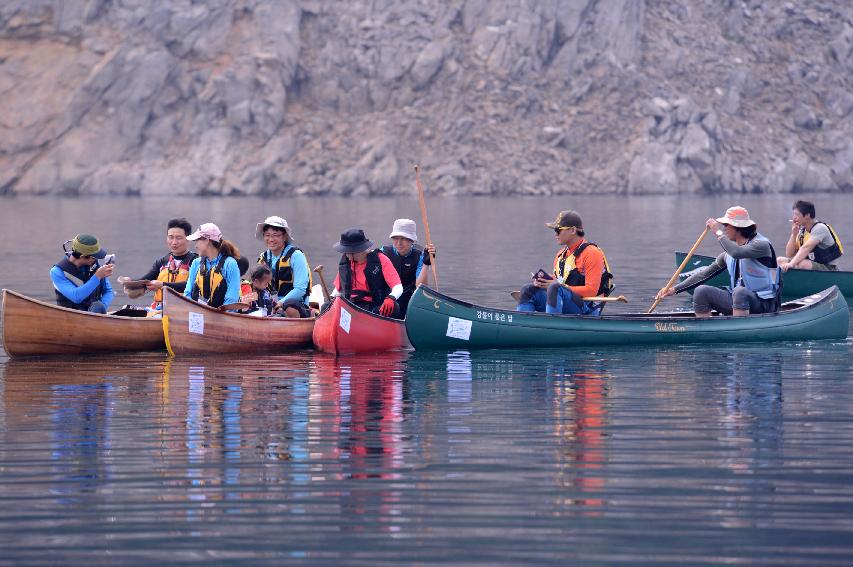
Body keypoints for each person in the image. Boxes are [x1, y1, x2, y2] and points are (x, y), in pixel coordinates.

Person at [656, 206, 781, 317]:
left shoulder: (761, 245)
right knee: (701, 291)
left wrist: (717, 231)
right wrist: (674, 289)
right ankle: (705, 332)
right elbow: (704, 274)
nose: (724, 228)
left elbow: (737, 253)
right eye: (723, 226)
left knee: (740, 291)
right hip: (738, 300)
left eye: (727, 225)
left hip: (764, 304)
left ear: (739, 227)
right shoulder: (727, 255)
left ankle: (739, 331)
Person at [517, 210, 613, 315]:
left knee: (555, 287)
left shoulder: (592, 253)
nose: (555, 234)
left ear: (572, 230)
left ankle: (552, 325)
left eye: (558, 230)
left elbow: (591, 291)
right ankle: (523, 322)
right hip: (566, 301)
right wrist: (543, 283)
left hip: (588, 309)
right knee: (528, 289)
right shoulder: (560, 255)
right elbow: (557, 283)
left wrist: (557, 285)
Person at [331, 228, 404, 318]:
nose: (347, 256)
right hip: (349, 308)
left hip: (373, 309)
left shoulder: (380, 259)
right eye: (346, 252)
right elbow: (337, 290)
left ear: (360, 250)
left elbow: (398, 287)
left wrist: (391, 298)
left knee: (394, 308)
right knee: (325, 306)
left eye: (350, 252)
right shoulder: (346, 262)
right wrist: (332, 300)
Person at [133, 218, 198, 313]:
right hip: (159, 309)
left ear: (188, 239)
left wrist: (162, 285)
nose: (174, 242)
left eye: (178, 238)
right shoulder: (162, 262)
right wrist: (129, 282)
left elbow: (191, 285)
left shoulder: (195, 261)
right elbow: (145, 279)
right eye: (171, 237)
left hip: (184, 310)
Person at [255, 216, 312, 318]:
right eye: (267, 235)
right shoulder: (263, 257)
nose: (271, 239)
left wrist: (280, 303)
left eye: (276, 235)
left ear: (284, 236)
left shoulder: (296, 256)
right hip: (270, 303)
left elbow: (300, 289)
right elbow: (257, 285)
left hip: (294, 305)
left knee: (289, 306)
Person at [378, 218, 436, 316]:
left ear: (412, 240)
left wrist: (426, 264)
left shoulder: (420, 255)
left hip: (409, 303)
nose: (399, 243)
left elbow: (421, 288)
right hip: (385, 301)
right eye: (396, 238)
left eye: (404, 239)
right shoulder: (383, 252)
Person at [51, 234, 115, 313]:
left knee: (98, 306)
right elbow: (76, 297)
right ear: (82, 256)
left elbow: (108, 291)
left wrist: (100, 308)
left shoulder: (94, 264)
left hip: (95, 316)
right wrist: (97, 276)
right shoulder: (57, 272)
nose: (96, 259)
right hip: (70, 318)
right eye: (94, 257)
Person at [183, 223, 242, 308]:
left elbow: (232, 299)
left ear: (207, 240)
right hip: (197, 315)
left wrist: (215, 316)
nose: (196, 246)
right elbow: (187, 294)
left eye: (197, 241)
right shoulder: (196, 263)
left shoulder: (230, 264)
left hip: (223, 317)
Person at [778, 200, 843, 271]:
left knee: (802, 264)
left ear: (807, 215)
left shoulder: (820, 228)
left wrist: (791, 264)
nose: (794, 218)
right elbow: (789, 255)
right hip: (812, 265)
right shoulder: (802, 231)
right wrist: (794, 235)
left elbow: (806, 248)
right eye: (793, 214)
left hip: (828, 268)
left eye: (797, 215)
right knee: (780, 260)